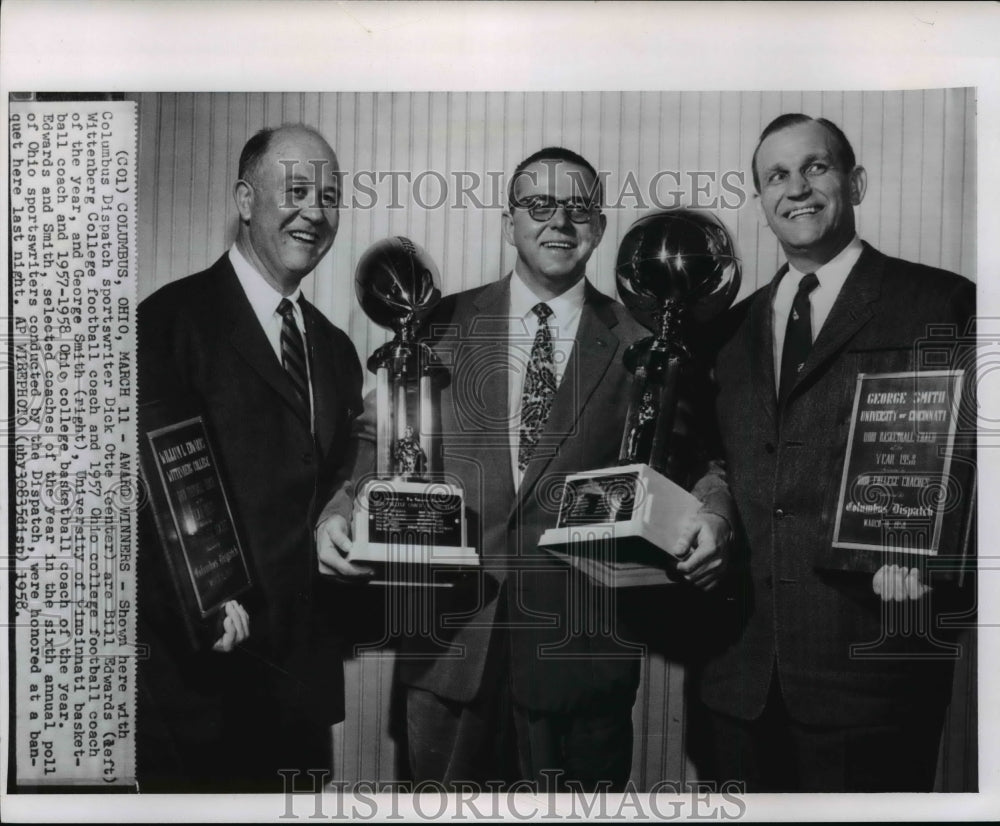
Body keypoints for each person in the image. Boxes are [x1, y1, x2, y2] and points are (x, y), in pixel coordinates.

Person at [319, 147, 735, 791]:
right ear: (508, 220)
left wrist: (713, 515)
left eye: (578, 208)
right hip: (448, 655)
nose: (558, 222)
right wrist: (341, 514)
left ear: (598, 227)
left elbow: (697, 461)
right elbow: (374, 446)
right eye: (539, 205)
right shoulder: (435, 323)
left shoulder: (643, 342)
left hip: (582, 663)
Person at [698, 114, 976, 792]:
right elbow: (717, 461)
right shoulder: (728, 329)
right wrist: (711, 511)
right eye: (776, 176)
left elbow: (977, 453)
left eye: (816, 167)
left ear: (856, 180)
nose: (797, 188)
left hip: (872, 668)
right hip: (736, 678)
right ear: (762, 202)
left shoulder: (941, 301)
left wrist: (929, 545)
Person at [136, 124, 370, 792]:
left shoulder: (332, 348)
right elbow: (139, 498)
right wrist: (202, 598)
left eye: (330, 195)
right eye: (295, 190)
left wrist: (340, 517)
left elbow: (330, 481)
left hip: (298, 691)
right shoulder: (167, 323)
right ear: (245, 199)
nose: (315, 212)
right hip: (196, 686)